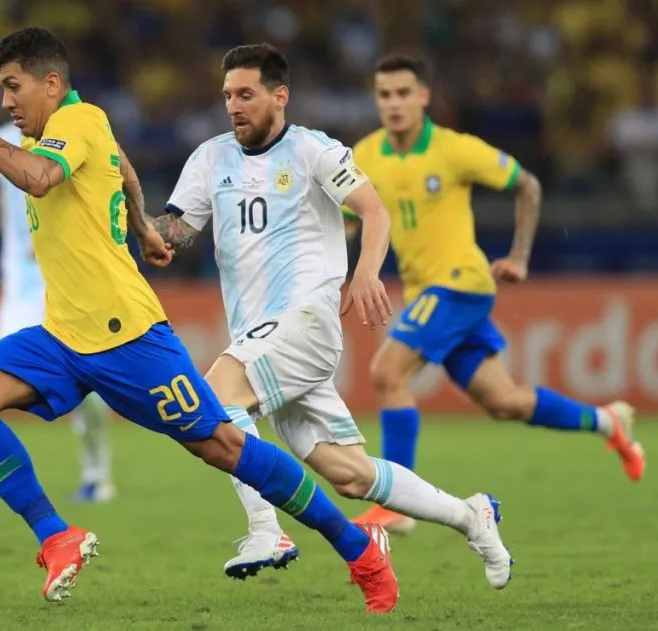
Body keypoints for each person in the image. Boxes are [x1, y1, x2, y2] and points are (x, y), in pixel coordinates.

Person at [0, 27, 402, 613]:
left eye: (12, 86)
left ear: (51, 83)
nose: (4, 102)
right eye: (0, 90)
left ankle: (358, 548)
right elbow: (121, 164)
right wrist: (142, 225)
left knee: (224, 445)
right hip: (63, 334)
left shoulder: (76, 122)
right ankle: (56, 536)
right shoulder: (74, 126)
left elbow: (39, 179)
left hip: (126, 336)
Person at [149, 44, 512, 594]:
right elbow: (174, 232)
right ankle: (472, 516)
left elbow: (374, 210)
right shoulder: (210, 158)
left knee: (215, 396)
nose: (234, 106)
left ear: (280, 96)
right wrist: (128, 219)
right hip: (259, 337)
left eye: (246, 94)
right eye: (227, 96)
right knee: (351, 474)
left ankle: (266, 529)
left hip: (306, 321)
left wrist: (366, 271)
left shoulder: (313, 150)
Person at [346, 53, 645, 534]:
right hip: (428, 293)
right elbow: (347, 220)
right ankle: (609, 422)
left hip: (461, 283)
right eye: (385, 95)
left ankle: (396, 504)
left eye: (403, 93)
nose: (394, 103)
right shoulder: (364, 155)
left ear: (424, 96)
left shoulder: (455, 149)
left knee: (387, 372)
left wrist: (520, 256)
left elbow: (528, 185)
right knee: (505, 402)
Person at [0, 122, 115, 503]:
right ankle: (15, 487)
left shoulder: (71, 133)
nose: (11, 99)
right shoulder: (0, 137)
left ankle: (96, 474)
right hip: (19, 285)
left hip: (66, 282)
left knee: (86, 389)